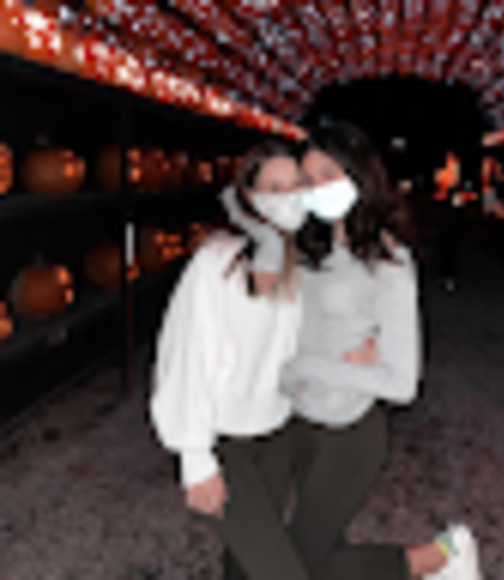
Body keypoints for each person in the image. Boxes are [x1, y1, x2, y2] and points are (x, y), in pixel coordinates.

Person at [278, 120, 483, 580]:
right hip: (302, 424)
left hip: (349, 435)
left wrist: (313, 366)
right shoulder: (306, 250)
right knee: (322, 555)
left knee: (296, 562)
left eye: (328, 174)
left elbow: (403, 383)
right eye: (307, 179)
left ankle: (439, 557)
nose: (316, 188)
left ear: (358, 175)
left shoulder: (388, 261)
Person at [149, 139, 312, 580]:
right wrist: (195, 456)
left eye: (297, 185)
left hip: (277, 433)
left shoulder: (298, 263)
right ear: (250, 199)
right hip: (224, 441)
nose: (290, 196)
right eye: (275, 187)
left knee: (245, 566)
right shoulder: (217, 262)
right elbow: (186, 355)